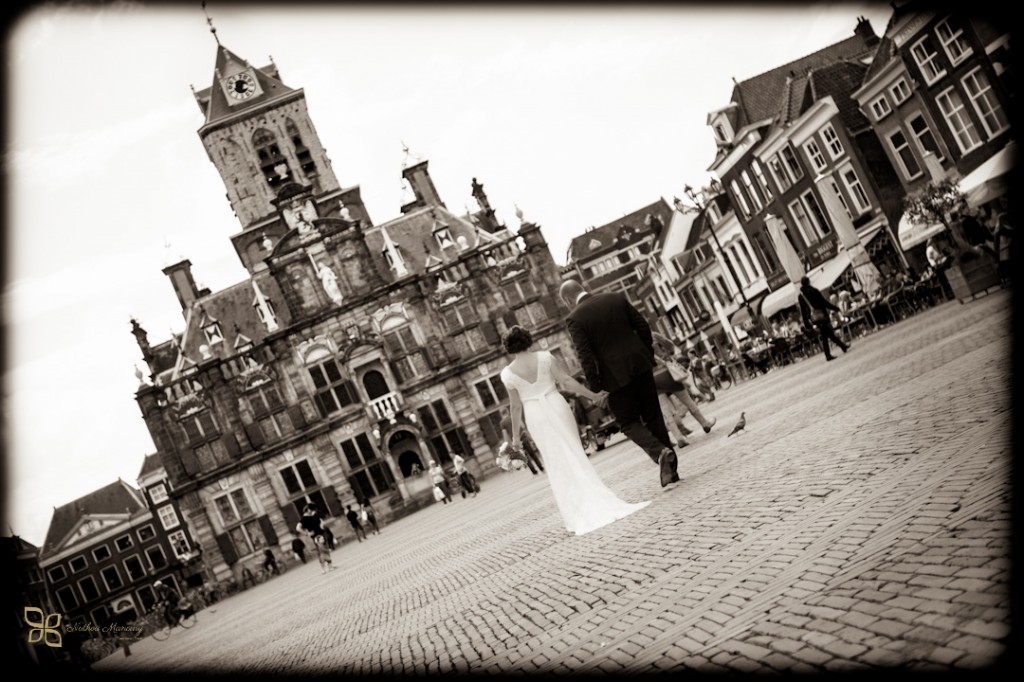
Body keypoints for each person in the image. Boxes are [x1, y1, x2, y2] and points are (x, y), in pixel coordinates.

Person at [499, 325, 650, 535]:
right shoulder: (545, 357)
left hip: (535, 414)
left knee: (555, 461)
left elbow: (515, 407)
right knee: (574, 451)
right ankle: (592, 494)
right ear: (528, 340)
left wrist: (516, 440)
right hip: (556, 404)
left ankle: (575, 510)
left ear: (508, 348)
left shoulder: (507, 374)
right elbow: (568, 382)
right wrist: (593, 395)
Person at [559, 279, 679, 487]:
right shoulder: (614, 297)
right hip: (640, 365)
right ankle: (673, 471)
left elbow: (585, 357)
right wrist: (646, 354)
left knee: (628, 422)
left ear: (568, 300)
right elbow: (642, 326)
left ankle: (661, 453)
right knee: (653, 416)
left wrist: (596, 388)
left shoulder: (575, 318)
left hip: (613, 378)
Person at [798, 276, 849, 361]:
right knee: (826, 334)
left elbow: (803, 311)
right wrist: (835, 308)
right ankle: (831, 353)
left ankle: (842, 347)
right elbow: (824, 303)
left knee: (827, 334)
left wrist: (806, 324)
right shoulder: (814, 291)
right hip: (822, 315)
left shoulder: (801, 296)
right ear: (808, 282)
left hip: (814, 318)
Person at [499, 406, 544, 474]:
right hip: (523, 437)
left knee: (524, 456)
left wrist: (509, 444)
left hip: (516, 441)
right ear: (507, 411)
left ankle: (534, 471)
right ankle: (541, 468)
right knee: (532, 454)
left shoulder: (502, 423)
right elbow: (522, 426)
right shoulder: (514, 416)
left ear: (501, 414)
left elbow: (505, 436)